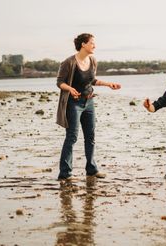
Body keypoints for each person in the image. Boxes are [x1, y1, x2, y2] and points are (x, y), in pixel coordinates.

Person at [56, 33, 121, 180]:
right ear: (83, 44)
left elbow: (92, 80)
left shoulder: (92, 60)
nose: (94, 46)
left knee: (90, 137)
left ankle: (91, 169)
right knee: (72, 137)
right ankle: (65, 173)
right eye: (92, 43)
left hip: (89, 102)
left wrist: (108, 84)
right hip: (73, 103)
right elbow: (59, 82)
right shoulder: (69, 62)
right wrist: (70, 89)